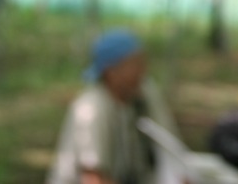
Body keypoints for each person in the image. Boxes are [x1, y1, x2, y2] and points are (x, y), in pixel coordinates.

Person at [48, 29, 179, 184]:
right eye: (136, 64)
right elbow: (93, 178)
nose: (143, 71)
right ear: (111, 72)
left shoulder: (131, 103)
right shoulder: (92, 109)